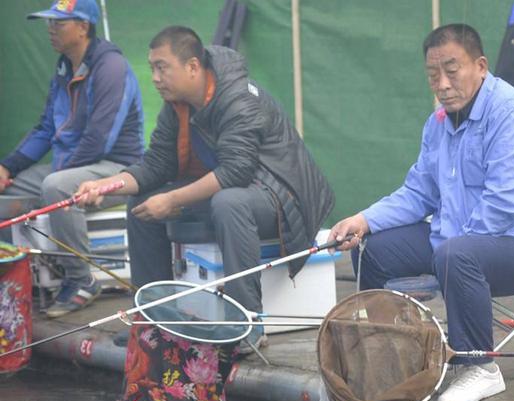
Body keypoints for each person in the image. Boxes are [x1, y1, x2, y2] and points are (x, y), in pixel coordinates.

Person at [329, 24, 514, 401]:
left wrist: (449, 248)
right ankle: (388, 352)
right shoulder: (438, 121)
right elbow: (419, 192)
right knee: (373, 249)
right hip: (454, 243)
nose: (442, 83)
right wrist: (364, 219)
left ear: (481, 66)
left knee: (456, 254)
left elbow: (507, 201)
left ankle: (480, 367)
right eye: (433, 74)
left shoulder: (511, 112)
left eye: (452, 70)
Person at [77, 26, 333, 352]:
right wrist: (107, 186)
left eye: (162, 67)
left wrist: (172, 199)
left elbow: (236, 170)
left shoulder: (239, 98)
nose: (154, 77)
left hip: (281, 195)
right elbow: (156, 164)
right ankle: (158, 319)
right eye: (152, 67)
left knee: (228, 202)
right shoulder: (177, 104)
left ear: (193, 67)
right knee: (143, 203)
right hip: (235, 188)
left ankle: (248, 323)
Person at [0, 0, 143, 318]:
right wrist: (7, 167)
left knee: (56, 185)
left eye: (59, 23)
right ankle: (15, 280)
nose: (51, 30)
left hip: (118, 168)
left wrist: (60, 173)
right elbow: (45, 129)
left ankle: (82, 280)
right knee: (11, 188)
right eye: (49, 23)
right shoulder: (65, 66)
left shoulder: (111, 68)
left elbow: (99, 139)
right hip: (72, 165)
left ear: (83, 27)